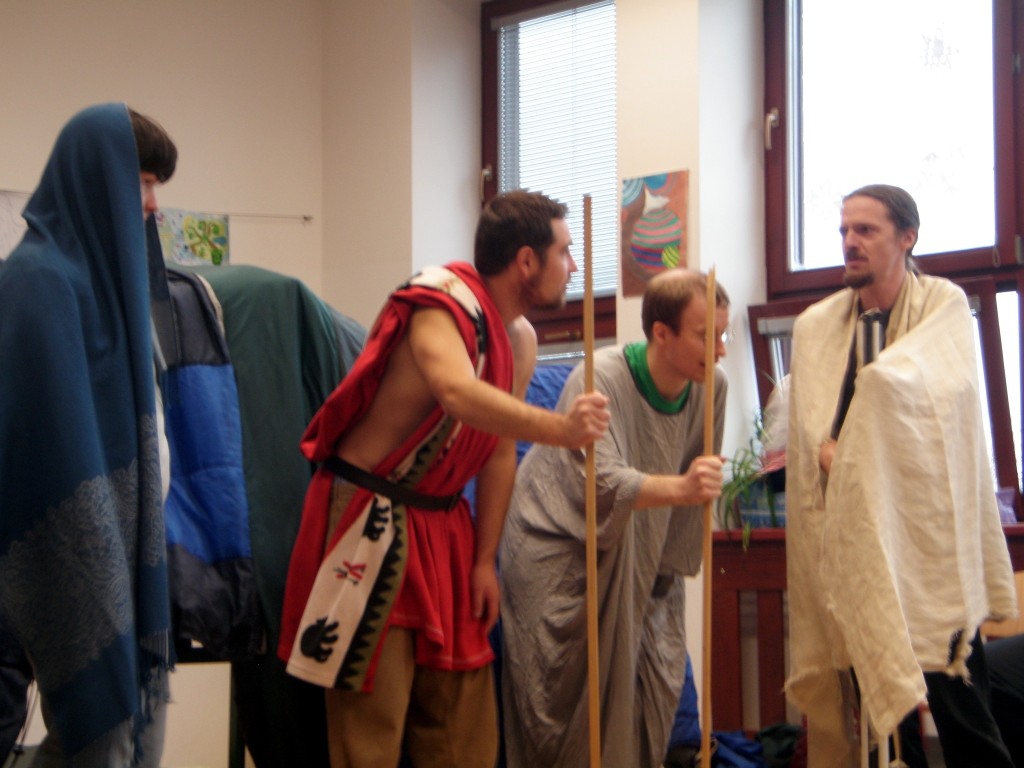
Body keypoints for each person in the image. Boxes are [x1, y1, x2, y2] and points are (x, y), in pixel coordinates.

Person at [277, 190, 611, 768]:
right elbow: (456, 392)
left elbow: (498, 451)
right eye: (565, 251)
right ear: (526, 261)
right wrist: (560, 429)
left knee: (464, 733)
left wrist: (485, 560)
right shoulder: (438, 302)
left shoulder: (520, 339)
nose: (574, 266)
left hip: (447, 531)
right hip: (371, 522)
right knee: (371, 731)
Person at [784, 184, 1018, 767]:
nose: (850, 242)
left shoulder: (943, 307)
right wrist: (840, 462)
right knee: (881, 724)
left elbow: (925, 412)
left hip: (929, 545)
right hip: (855, 547)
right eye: (844, 230)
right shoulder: (817, 326)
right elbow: (811, 430)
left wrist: (852, 458)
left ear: (907, 237)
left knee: (963, 716)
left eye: (866, 230)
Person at [0, 103, 178, 766]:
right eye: (143, 182)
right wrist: (95, 569)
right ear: (96, 179)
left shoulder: (108, 294)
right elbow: (46, 451)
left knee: (127, 740)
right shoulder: (37, 282)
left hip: (116, 560)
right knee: (99, 739)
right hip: (72, 560)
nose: (153, 204)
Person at [499, 268, 728, 768]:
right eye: (706, 336)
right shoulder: (600, 378)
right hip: (561, 540)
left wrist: (660, 576)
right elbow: (598, 483)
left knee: (656, 678)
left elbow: (689, 499)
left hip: (642, 544)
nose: (720, 350)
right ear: (662, 333)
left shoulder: (713, 384)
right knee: (567, 708)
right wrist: (683, 488)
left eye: (724, 335)